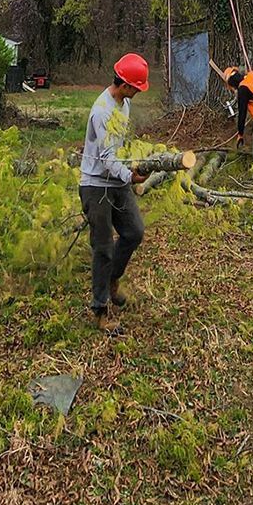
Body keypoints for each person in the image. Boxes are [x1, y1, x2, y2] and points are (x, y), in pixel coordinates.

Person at [79, 53, 149, 323]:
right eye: (136, 88)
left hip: (116, 180)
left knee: (134, 232)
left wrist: (130, 166)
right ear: (124, 84)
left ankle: (112, 280)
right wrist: (129, 177)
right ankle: (100, 309)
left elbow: (118, 148)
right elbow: (107, 158)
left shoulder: (124, 104)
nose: (138, 93)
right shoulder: (103, 111)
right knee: (104, 246)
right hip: (96, 185)